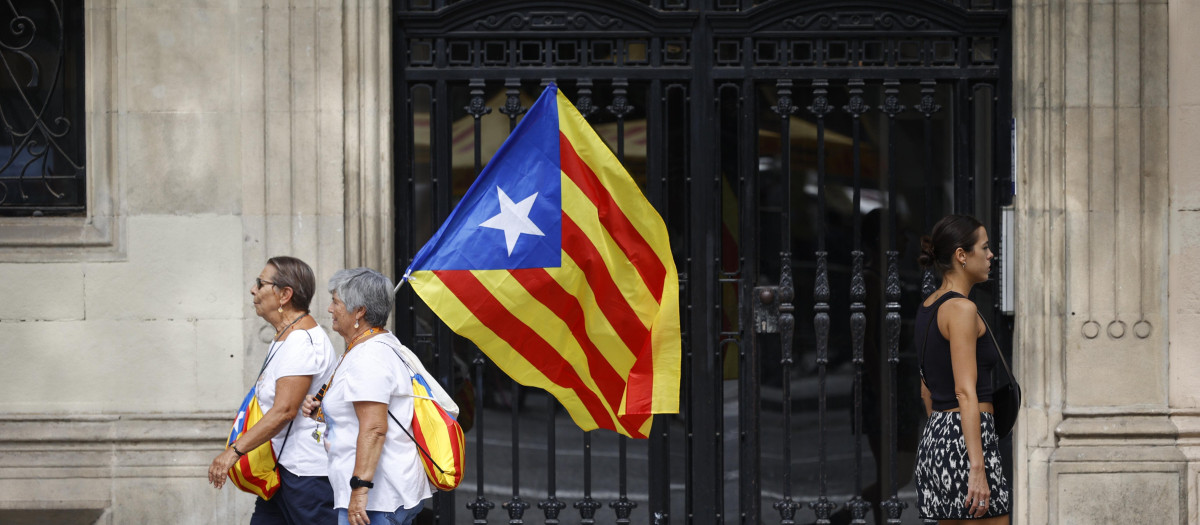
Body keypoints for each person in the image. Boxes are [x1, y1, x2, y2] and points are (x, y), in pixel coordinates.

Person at [302, 267, 458, 525]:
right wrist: (323, 409)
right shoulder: (370, 347)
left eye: (336, 302)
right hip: (383, 495)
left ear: (359, 311)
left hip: (377, 500)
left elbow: (374, 427)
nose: (330, 309)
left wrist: (360, 491)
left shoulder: (369, 356)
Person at [209, 256, 338, 524]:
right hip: (282, 469)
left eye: (261, 283)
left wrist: (234, 452)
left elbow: (284, 411)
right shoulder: (286, 336)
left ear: (284, 295)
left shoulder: (302, 341)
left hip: (306, 477)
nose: (253, 290)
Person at [913, 215, 1010, 524]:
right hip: (968, 441)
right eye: (985, 247)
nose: (991, 254)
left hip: (937, 438)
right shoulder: (962, 310)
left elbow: (926, 387)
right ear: (961, 255)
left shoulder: (929, 306)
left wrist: (944, 437)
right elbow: (965, 392)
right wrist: (977, 467)